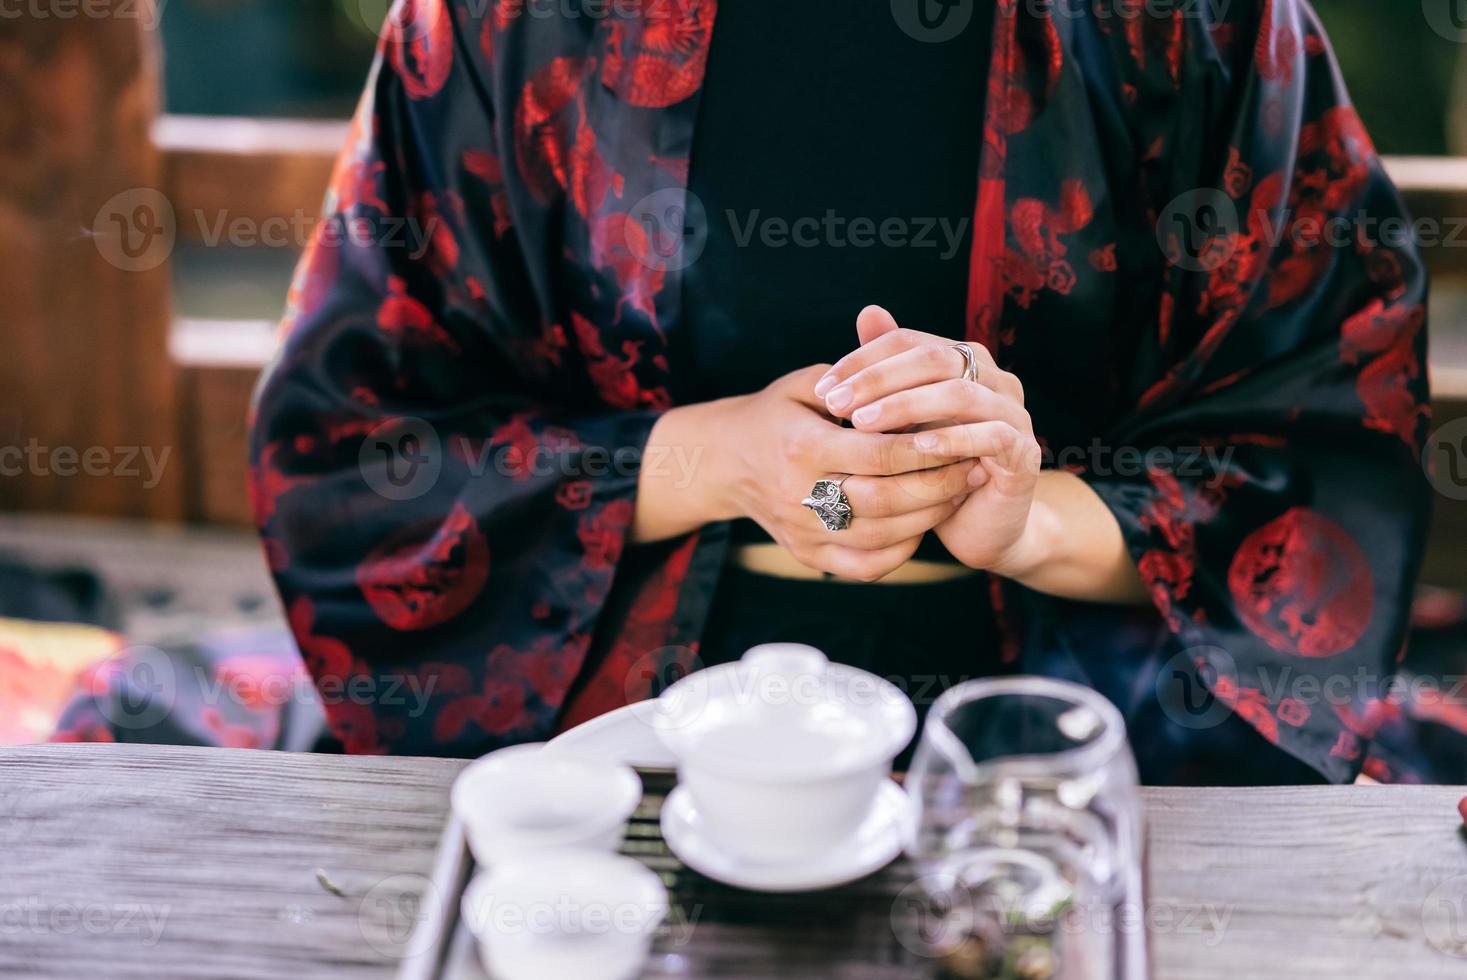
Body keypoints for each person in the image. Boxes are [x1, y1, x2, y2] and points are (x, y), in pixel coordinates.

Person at [248, 0, 1431, 784]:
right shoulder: (503, 22)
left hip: (1069, 723)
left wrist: (1028, 514)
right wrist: (717, 457)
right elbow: (351, 448)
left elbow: (1323, 439)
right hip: (610, 714)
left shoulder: (1189, 19)